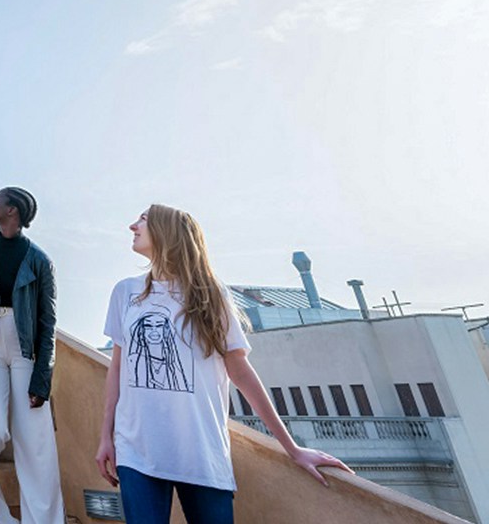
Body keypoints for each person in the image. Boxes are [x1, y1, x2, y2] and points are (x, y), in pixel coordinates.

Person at [96, 205, 350, 524]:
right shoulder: (126, 292)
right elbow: (117, 370)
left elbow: (240, 371)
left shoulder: (210, 294)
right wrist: (106, 437)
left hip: (202, 454)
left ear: (167, 232)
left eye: (143, 219)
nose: (132, 225)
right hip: (136, 451)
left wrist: (292, 448)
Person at [0, 187, 65, 524]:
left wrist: (42, 377)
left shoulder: (39, 259)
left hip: (25, 351)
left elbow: (48, 323)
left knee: (36, 444)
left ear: (12, 210)